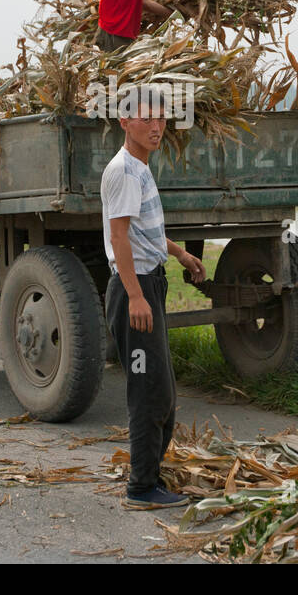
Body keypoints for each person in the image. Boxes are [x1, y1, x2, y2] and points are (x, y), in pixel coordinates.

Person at [100, 84, 206, 509]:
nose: (156, 126)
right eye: (146, 118)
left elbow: (145, 232)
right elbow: (119, 236)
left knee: (162, 392)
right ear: (125, 121)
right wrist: (136, 296)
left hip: (147, 284)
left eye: (161, 118)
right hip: (135, 292)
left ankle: (149, 478)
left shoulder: (139, 168)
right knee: (148, 393)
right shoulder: (124, 170)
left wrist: (180, 254)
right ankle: (141, 488)